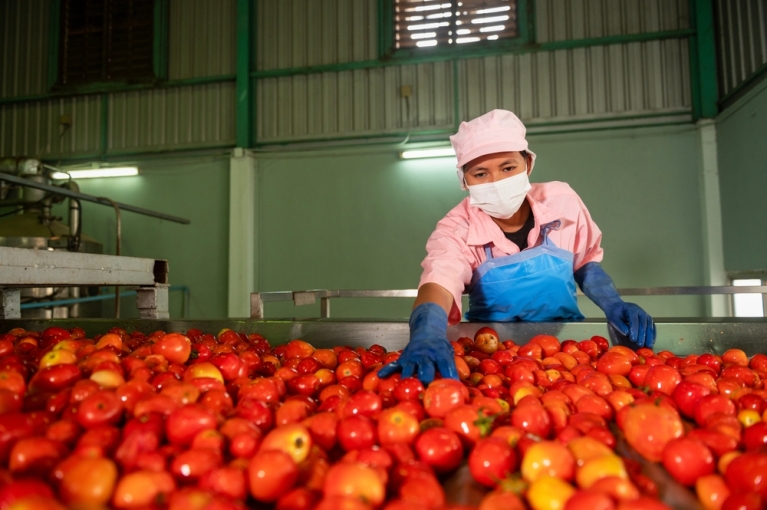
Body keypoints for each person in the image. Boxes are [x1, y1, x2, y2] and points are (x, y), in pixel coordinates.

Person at [379, 109, 655, 383]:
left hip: (567, 351)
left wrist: (613, 303)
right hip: (492, 355)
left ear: (528, 165)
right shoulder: (457, 228)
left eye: (508, 168)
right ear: (464, 180)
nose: (496, 182)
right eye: (480, 174)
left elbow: (584, 262)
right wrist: (427, 330)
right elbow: (439, 281)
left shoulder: (562, 201)